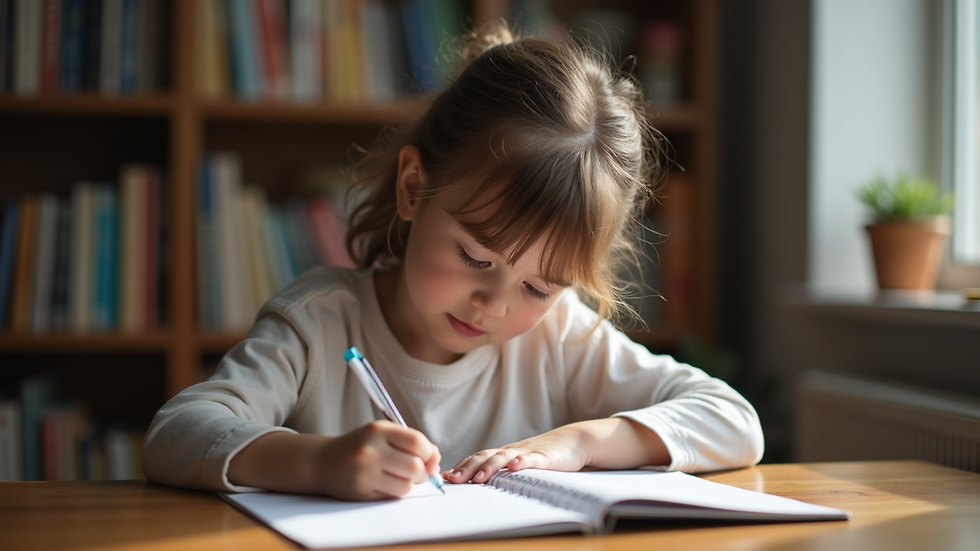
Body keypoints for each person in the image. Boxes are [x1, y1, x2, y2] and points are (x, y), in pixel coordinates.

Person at [142, 22, 764, 501]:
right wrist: (317, 462)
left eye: (540, 286)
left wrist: (579, 442)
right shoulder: (319, 323)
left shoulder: (559, 334)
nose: (494, 304)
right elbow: (177, 431)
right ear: (414, 188)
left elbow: (733, 421)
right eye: (474, 255)